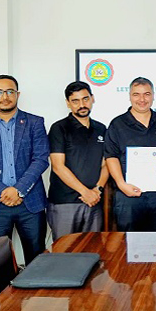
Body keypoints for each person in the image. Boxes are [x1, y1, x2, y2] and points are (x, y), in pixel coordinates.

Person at [0, 75, 49, 264]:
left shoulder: (35, 122)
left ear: (17, 94)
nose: (4, 97)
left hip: (30, 203)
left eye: (9, 91)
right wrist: (2, 192)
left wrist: (18, 190)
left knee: (36, 261)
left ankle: (34, 287)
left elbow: (40, 159)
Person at [104, 77, 156, 231]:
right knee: (129, 240)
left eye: (147, 94)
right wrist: (121, 184)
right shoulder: (117, 124)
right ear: (130, 96)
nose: (142, 99)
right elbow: (111, 157)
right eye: (136, 94)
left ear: (153, 96)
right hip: (128, 193)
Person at [47, 81, 109, 238]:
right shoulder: (59, 128)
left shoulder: (101, 129)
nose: (82, 105)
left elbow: (106, 164)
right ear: (68, 103)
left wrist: (97, 190)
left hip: (94, 201)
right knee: (64, 250)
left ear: (92, 98)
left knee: (93, 249)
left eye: (85, 99)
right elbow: (58, 166)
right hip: (65, 203)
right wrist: (85, 192)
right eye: (75, 101)